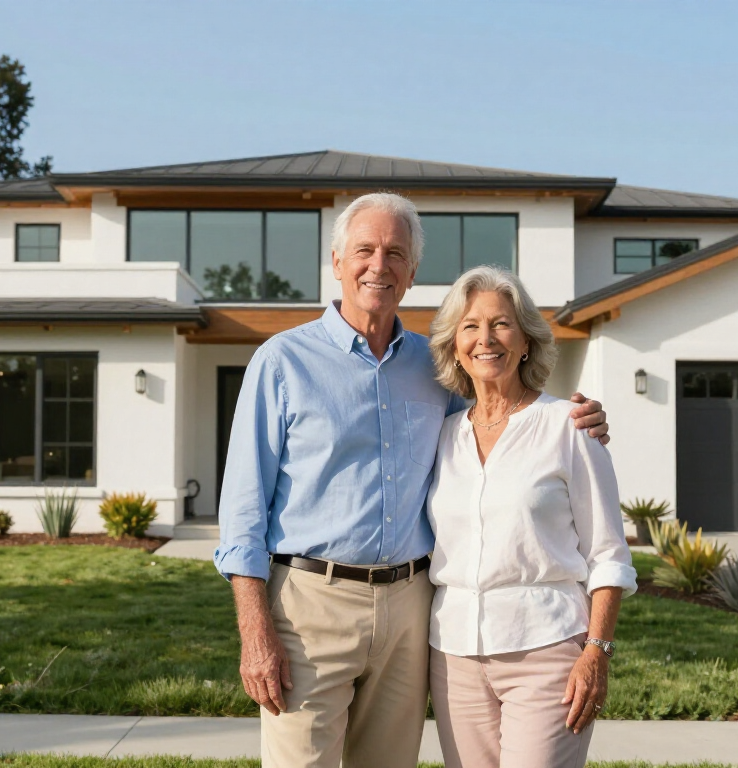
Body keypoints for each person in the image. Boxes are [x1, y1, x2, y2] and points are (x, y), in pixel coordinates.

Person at [214, 192, 610, 768]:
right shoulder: (281, 362)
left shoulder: (438, 368)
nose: (379, 265)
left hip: (411, 607)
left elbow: (503, 419)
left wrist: (580, 420)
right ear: (337, 261)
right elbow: (242, 510)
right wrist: (254, 631)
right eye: (365, 250)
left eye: (395, 253)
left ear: (413, 272)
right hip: (309, 605)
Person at [424, 264, 637, 768]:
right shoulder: (441, 435)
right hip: (453, 654)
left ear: (526, 341)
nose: (486, 339)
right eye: (470, 326)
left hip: (546, 649)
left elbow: (608, 553)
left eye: (501, 324)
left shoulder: (569, 426)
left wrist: (597, 651)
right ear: (455, 345)